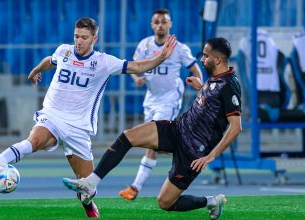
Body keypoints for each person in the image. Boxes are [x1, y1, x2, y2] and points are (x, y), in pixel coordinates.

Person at [0, 17, 177, 218]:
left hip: (79, 128)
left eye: (84, 37)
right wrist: (35, 70)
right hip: (53, 115)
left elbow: (137, 66)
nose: (79, 41)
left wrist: (160, 58)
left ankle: (87, 202)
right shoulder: (64, 51)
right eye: (76, 36)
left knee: (87, 185)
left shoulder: (104, 62)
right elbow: (50, 61)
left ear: (94, 39)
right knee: (34, 141)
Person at [63, 37, 242, 220]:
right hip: (179, 129)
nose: (202, 60)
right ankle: (91, 183)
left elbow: (236, 127)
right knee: (127, 136)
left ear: (217, 60)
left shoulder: (230, 85)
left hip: (194, 152)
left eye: (205, 56)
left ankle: (211, 201)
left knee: (165, 203)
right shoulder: (214, 79)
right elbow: (212, 104)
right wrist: (201, 89)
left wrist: (211, 156)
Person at [119, 8, 203, 201]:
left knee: (152, 140)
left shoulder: (179, 48)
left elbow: (195, 68)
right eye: (157, 22)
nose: (160, 25)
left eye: (164, 22)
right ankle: (189, 148)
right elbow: (133, 66)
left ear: (170, 24)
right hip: (151, 99)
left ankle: (135, 187)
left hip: (170, 98)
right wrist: (136, 79)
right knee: (156, 144)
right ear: (151, 25)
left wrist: (200, 89)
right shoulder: (145, 45)